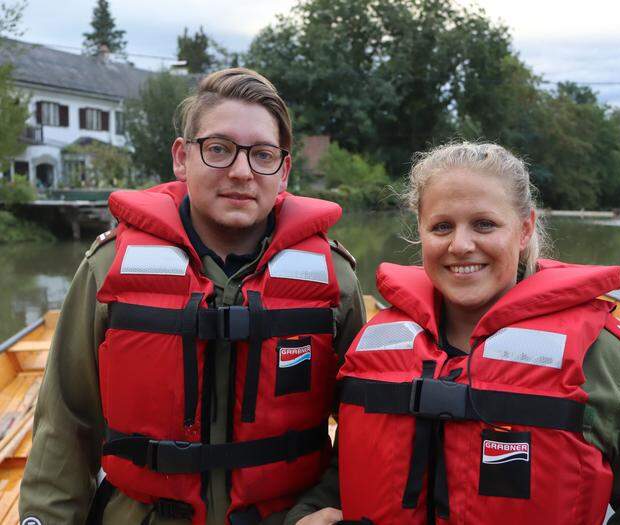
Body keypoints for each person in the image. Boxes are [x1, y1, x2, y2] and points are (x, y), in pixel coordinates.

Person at [19, 67, 365, 525]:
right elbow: (65, 425)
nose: (241, 172)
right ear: (183, 158)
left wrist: (318, 507)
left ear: (283, 171)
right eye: (219, 149)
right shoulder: (107, 269)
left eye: (262, 155)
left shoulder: (334, 281)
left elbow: (367, 430)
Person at [288, 142, 620, 525]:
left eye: (484, 224)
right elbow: (347, 473)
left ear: (523, 231)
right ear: (421, 231)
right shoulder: (376, 341)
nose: (461, 245)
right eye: (442, 227)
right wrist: (308, 514)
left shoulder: (601, 355)